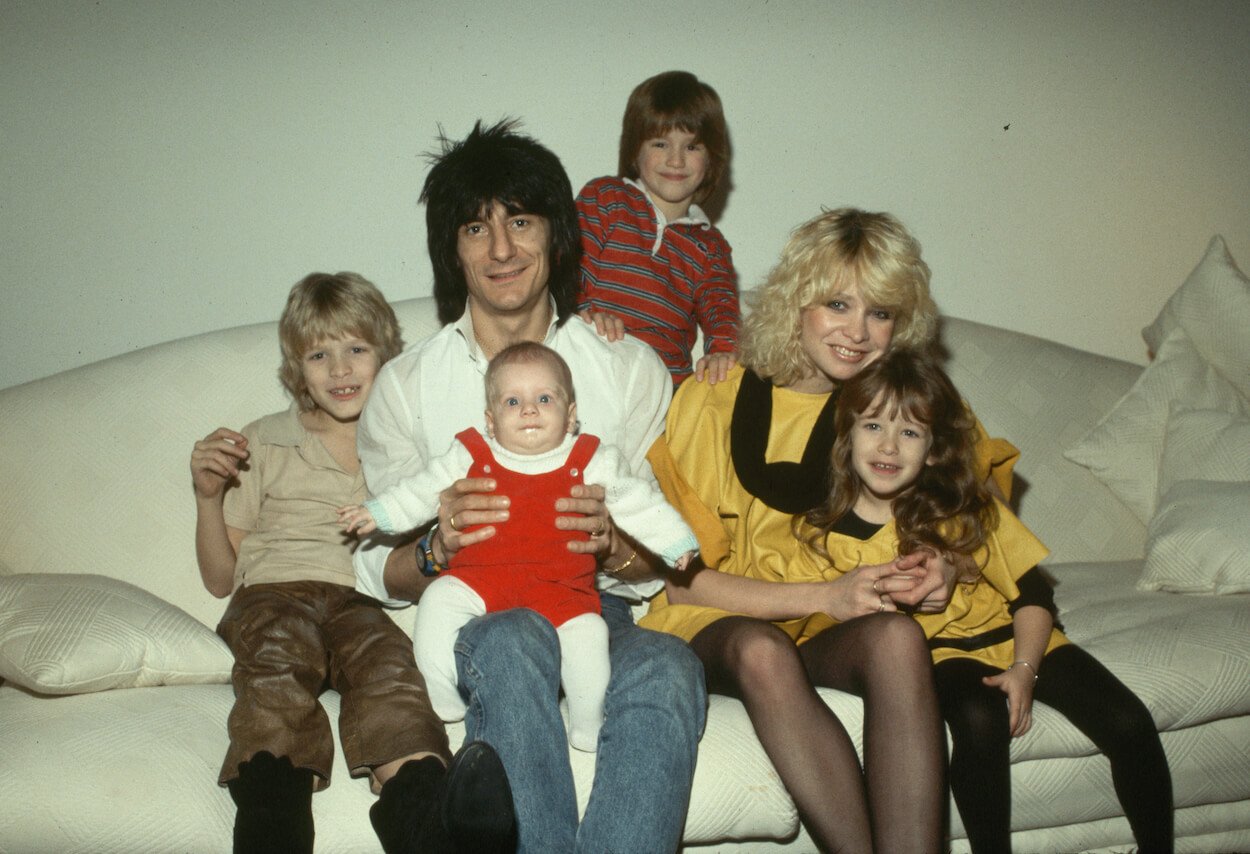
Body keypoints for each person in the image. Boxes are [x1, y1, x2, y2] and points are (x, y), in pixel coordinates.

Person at [352, 120, 706, 853]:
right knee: (511, 637)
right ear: (452, 249)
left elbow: (654, 563)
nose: (502, 249)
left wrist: (615, 546)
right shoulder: (406, 385)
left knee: (669, 665)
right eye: (476, 228)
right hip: (480, 610)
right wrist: (435, 549)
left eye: (520, 221)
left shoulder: (629, 367)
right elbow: (370, 567)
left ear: (555, 235)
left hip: (590, 608)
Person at [641, 208, 1018, 852]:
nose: (858, 332)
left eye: (881, 312)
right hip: (720, 622)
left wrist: (947, 566)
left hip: (830, 631)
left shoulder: (904, 406)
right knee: (762, 649)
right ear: (795, 304)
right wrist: (825, 596)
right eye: (837, 304)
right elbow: (682, 587)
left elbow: (980, 518)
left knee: (897, 638)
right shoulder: (715, 396)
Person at [189, 272, 515, 854]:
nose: (339, 370)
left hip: (359, 600)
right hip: (274, 593)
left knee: (394, 674)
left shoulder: (405, 447)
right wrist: (207, 497)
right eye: (320, 354)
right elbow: (219, 579)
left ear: (387, 356)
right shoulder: (262, 440)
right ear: (296, 366)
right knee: (278, 670)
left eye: (356, 349)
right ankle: (270, 825)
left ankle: (430, 828)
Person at [804, 348, 1174, 854]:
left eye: (910, 432)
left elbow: (1034, 594)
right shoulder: (823, 534)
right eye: (873, 426)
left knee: (1129, 721)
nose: (889, 445)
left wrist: (1025, 668)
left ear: (934, 449)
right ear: (845, 439)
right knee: (981, 719)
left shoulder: (968, 511)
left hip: (1015, 637)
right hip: (940, 656)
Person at [338, 341, 698, 751]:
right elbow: (420, 491)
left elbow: (638, 502)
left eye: (544, 398)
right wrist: (378, 514)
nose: (529, 410)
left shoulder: (591, 457)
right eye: (513, 401)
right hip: (479, 584)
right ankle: (441, 695)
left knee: (590, 639)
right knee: (437, 602)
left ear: (572, 416)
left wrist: (675, 542)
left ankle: (587, 723)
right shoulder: (473, 452)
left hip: (564, 595)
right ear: (491, 421)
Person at [576, 70, 739, 386]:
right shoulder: (606, 199)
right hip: (594, 360)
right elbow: (567, 269)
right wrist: (583, 316)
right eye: (660, 144)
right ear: (635, 152)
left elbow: (723, 313)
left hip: (662, 387)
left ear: (711, 160)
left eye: (692, 147)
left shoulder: (710, 245)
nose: (676, 161)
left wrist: (722, 351)